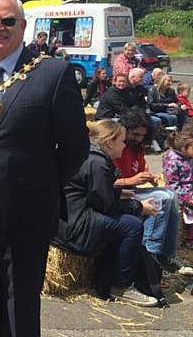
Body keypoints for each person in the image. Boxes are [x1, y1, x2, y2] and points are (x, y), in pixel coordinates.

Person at [0, 0, 89, 337]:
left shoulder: (52, 73)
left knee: (21, 301)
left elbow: (76, 147)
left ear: (23, 26)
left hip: (27, 212)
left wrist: (39, 186)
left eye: (7, 21)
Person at [54, 119, 159, 307]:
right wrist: (139, 207)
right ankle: (122, 286)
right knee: (132, 226)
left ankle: (112, 276)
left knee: (126, 220)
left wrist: (117, 191)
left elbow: (93, 192)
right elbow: (104, 206)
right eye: (122, 141)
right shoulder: (97, 162)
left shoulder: (88, 154)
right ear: (109, 142)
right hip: (75, 225)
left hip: (65, 218)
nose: (125, 145)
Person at [112, 109, 192, 275]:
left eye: (142, 135)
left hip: (129, 189)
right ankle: (150, 254)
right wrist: (132, 180)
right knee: (161, 199)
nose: (138, 139)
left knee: (171, 195)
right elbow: (106, 183)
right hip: (117, 193)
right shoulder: (116, 147)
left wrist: (148, 177)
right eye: (135, 134)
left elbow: (139, 171)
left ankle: (166, 255)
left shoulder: (137, 146)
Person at [163, 132, 193, 250]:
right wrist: (187, 199)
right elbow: (172, 185)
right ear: (183, 148)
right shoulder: (172, 160)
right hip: (181, 195)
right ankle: (187, 239)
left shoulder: (189, 158)